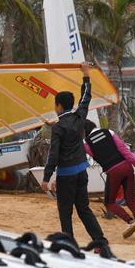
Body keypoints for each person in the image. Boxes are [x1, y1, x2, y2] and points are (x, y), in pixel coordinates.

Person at [40, 62, 108, 248]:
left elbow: (53, 156)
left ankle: (69, 245)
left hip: (67, 176)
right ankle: (100, 242)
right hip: (81, 172)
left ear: (59, 106)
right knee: (83, 209)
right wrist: (85, 74)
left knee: (65, 211)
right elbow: (86, 96)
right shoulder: (80, 117)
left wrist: (46, 178)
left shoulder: (59, 128)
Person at [84, 119, 135, 239]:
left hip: (114, 171)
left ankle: (131, 221)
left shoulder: (86, 143)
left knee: (110, 203)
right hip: (127, 167)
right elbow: (123, 149)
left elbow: (92, 155)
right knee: (131, 202)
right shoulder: (109, 132)